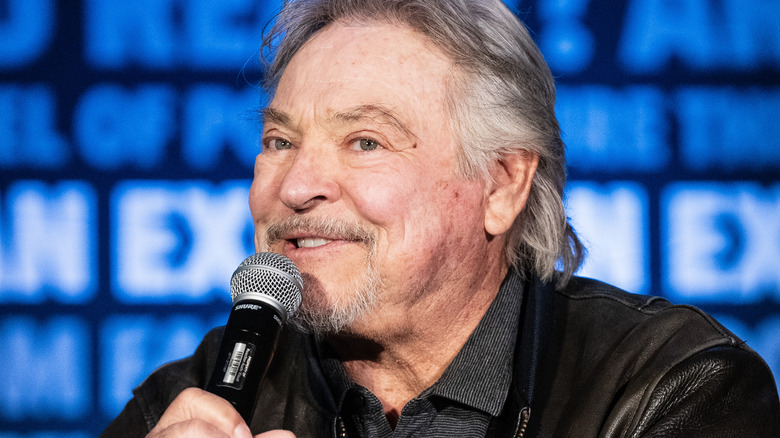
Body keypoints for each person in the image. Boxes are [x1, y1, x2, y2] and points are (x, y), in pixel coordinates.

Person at [101, 0, 780, 436]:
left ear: (502, 185)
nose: (296, 186)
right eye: (278, 142)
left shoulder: (672, 386)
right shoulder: (190, 405)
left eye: (365, 141)